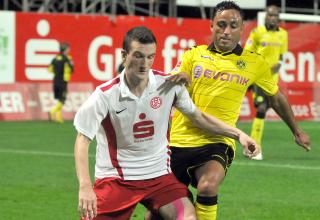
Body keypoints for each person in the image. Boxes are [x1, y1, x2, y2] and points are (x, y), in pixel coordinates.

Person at [73, 26, 259, 220]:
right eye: (138, 56)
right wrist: (85, 187)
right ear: (124, 55)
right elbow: (82, 140)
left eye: (150, 57)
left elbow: (199, 117)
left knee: (188, 217)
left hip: (159, 179)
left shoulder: (168, 85)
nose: (145, 64)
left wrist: (238, 134)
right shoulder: (105, 95)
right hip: (116, 181)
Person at [165, 1, 310, 220]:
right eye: (221, 25)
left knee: (208, 186)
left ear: (242, 29)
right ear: (211, 26)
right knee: (158, 214)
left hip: (219, 141)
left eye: (233, 26)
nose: (226, 31)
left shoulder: (254, 62)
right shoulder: (192, 55)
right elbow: (169, 85)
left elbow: (276, 97)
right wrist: (181, 79)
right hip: (178, 142)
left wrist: (296, 130)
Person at [244, 5, 288, 160]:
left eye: (275, 15)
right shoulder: (257, 33)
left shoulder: (283, 34)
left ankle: (250, 146)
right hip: (258, 76)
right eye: (270, 15)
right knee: (261, 108)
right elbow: (248, 52)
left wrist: (279, 64)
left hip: (272, 80)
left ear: (278, 18)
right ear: (266, 17)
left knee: (265, 110)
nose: (272, 18)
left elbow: (282, 56)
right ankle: (255, 148)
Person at [48, 42, 74, 123]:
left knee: (59, 99)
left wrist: (57, 72)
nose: (69, 50)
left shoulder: (55, 58)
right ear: (65, 50)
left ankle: (58, 118)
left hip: (55, 80)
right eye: (68, 49)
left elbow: (50, 69)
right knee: (63, 99)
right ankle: (52, 111)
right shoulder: (67, 58)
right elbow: (71, 69)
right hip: (63, 81)